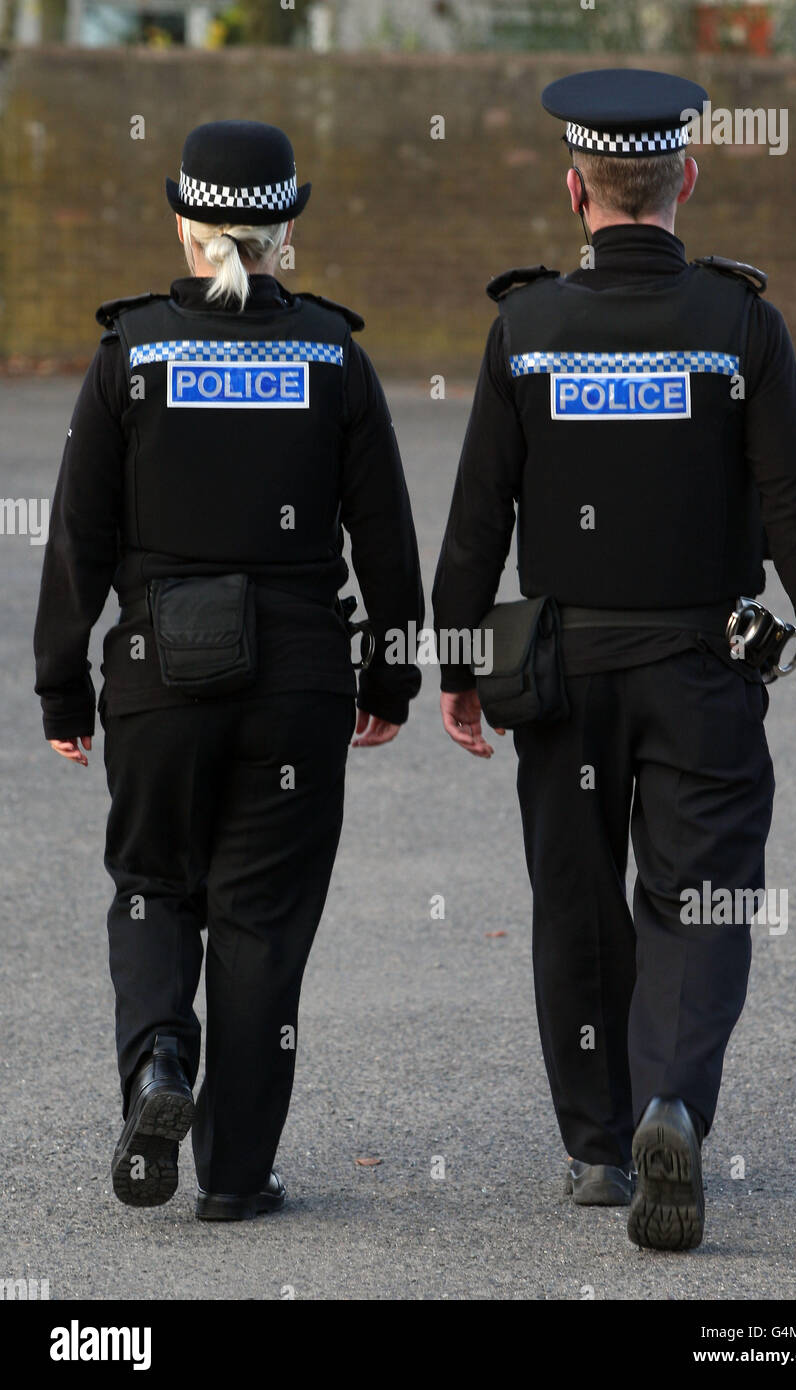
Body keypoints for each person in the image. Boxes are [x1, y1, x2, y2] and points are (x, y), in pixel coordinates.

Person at [431, 69, 796, 1250]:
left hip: (561, 673)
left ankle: (595, 1145)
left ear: (575, 189)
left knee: (576, 906)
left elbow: (475, 521)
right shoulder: (738, 325)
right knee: (699, 895)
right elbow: (794, 509)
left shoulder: (523, 328)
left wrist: (453, 666)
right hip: (701, 667)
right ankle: (670, 1097)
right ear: (687, 178)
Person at [34, 119, 423, 1220]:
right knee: (260, 923)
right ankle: (237, 1173)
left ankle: (158, 1058)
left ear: (183, 221)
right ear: (286, 226)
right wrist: (388, 676)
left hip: (159, 670)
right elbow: (385, 543)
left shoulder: (131, 353)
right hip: (298, 678)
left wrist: (64, 685)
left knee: (156, 884)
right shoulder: (332, 354)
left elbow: (79, 537)